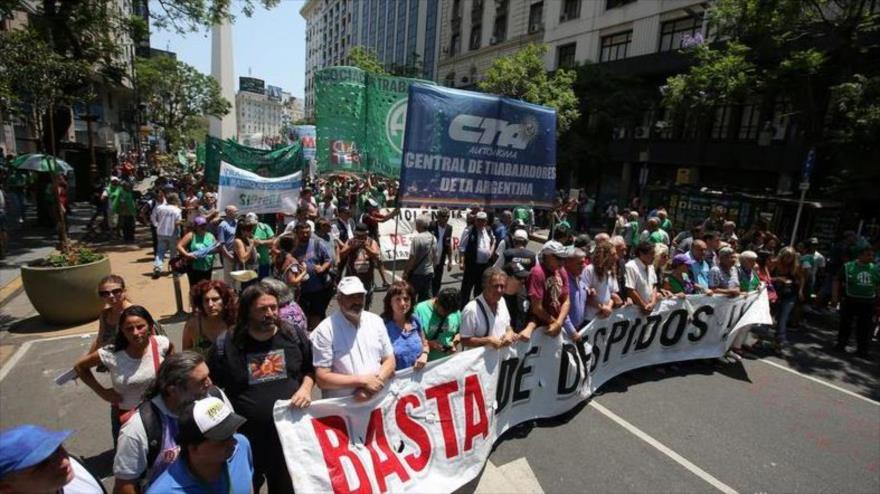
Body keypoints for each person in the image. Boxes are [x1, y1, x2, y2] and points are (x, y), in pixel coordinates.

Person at [208, 284, 314, 493]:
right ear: (247, 311)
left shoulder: (293, 335)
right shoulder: (226, 344)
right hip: (245, 440)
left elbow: (310, 370)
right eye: (262, 309)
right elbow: (211, 387)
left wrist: (306, 389)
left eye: (273, 307)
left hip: (288, 437)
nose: (270, 314)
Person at [113, 352, 228, 492]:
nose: (209, 383)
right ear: (173, 390)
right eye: (201, 381)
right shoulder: (138, 428)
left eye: (208, 376)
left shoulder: (215, 398)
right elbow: (124, 485)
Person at [75, 306, 172, 446]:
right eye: (129, 329)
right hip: (127, 417)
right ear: (121, 330)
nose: (135, 333)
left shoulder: (161, 343)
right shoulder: (111, 353)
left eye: (140, 326)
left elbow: (172, 360)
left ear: (150, 325)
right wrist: (103, 392)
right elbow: (80, 367)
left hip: (159, 413)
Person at [310, 276, 397, 399]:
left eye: (360, 296)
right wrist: (362, 381)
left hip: (377, 401)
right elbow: (322, 378)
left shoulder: (376, 321)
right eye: (351, 297)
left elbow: (389, 360)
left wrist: (373, 385)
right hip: (345, 409)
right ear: (339, 300)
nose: (357, 301)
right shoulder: (325, 330)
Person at [146, 397, 252, 494]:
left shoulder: (241, 446)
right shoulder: (163, 491)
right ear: (194, 448)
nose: (233, 442)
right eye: (222, 440)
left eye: (231, 434)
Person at [0, 425, 104, 493]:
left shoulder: (75, 467)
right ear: (5, 488)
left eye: (58, 448)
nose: (64, 462)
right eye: (42, 464)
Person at [832, 245, 879, 358]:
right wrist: (834, 297)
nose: (871, 257)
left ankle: (862, 350)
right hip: (850, 299)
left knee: (865, 327)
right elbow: (837, 280)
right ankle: (841, 345)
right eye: (868, 255)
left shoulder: (875, 268)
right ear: (860, 255)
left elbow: (878, 285)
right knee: (845, 323)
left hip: (868, 302)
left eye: (872, 255)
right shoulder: (848, 266)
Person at [460, 267, 518, 349]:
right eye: (495, 286)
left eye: (502, 286)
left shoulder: (502, 301)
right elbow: (464, 340)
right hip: (480, 360)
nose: (499, 290)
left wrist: (510, 333)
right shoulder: (471, 309)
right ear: (484, 286)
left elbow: (507, 326)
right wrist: (487, 341)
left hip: (500, 358)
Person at [291, 222, 334, 329]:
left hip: (318, 289)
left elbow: (328, 260)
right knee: (302, 317)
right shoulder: (293, 247)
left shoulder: (317, 244)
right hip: (301, 291)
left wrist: (322, 268)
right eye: (302, 233)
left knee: (317, 316)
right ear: (296, 233)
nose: (305, 235)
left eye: (307, 232)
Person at [526, 241, 570, 340]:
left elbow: (566, 300)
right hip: (541, 328)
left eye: (563, 259)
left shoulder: (562, 271)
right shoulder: (537, 273)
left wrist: (558, 322)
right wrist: (554, 322)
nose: (562, 262)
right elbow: (537, 308)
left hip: (557, 324)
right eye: (559, 258)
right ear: (548, 256)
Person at [382, 281, 430, 370]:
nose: (403, 303)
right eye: (398, 299)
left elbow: (425, 344)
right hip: (395, 381)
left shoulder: (415, 320)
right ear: (390, 302)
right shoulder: (382, 326)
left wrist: (424, 354)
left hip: (417, 378)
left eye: (406, 299)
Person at [182, 280, 236, 356]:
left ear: (224, 300)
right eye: (206, 300)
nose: (210, 304)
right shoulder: (193, 325)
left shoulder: (234, 322)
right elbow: (186, 357)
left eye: (215, 299)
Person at [338, 223, 381, 310]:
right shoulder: (351, 241)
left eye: (362, 235)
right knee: (351, 303)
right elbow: (341, 255)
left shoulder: (371, 242)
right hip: (352, 278)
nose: (360, 238)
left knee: (365, 302)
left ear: (366, 234)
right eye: (358, 235)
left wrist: (366, 247)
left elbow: (376, 255)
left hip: (367, 279)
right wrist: (350, 247)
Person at [87, 275, 134, 355]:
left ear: (124, 291)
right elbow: (100, 340)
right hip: (108, 356)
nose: (111, 296)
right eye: (105, 293)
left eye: (116, 291)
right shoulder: (104, 314)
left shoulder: (133, 313)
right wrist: (86, 360)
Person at [413, 287, 461, 361]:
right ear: (437, 301)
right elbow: (412, 340)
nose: (447, 314)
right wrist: (429, 344)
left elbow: (459, 332)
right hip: (426, 364)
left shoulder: (455, 312)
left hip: (447, 362)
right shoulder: (419, 311)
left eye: (450, 313)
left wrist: (455, 342)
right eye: (444, 311)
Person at [459, 211, 495, 307]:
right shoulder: (469, 230)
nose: (481, 223)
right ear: (475, 220)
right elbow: (462, 247)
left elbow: (493, 241)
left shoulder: (488, 230)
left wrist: (490, 253)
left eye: (483, 221)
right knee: (466, 290)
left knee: (480, 290)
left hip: (484, 266)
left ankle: (477, 309)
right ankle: (462, 309)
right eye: (478, 220)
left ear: (486, 221)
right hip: (471, 265)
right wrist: (462, 262)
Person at [770, 247, 803, 348]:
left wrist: (800, 291)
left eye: (791, 257)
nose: (788, 260)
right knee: (770, 315)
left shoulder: (795, 266)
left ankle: (780, 339)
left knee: (783, 317)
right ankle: (761, 337)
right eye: (787, 257)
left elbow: (802, 278)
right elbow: (766, 277)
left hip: (789, 294)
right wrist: (778, 279)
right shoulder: (774, 263)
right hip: (774, 293)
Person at [584, 241, 622, 321]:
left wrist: (609, 307)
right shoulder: (590, 270)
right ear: (603, 256)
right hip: (590, 318)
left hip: (604, 318)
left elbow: (612, 294)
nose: (616, 257)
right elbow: (584, 295)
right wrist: (601, 307)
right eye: (613, 255)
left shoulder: (611, 271)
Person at [176, 216, 217, 287]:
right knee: (195, 288)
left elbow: (216, 248)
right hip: (194, 268)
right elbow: (179, 246)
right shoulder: (191, 235)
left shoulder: (210, 236)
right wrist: (187, 255)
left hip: (208, 267)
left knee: (206, 288)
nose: (203, 227)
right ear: (195, 226)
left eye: (204, 225)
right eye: (201, 225)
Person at [403, 215, 436, 303]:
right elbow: (435, 257)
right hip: (429, 272)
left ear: (420, 225)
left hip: (417, 274)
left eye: (417, 224)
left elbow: (412, 258)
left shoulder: (417, 238)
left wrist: (406, 272)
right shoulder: (433, 238)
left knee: (410, 296)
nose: (416, 226)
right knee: (425, 299)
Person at [150, 194, 182, 279]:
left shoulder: (160, 208)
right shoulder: (177, 210)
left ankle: (157, 267)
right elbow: (177, 223)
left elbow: (153, 217)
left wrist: (157, 225)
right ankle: (174, 269)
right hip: (172, 233)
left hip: (161, 233)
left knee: (160, 251)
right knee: (173, 252)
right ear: (175, 200)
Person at [562, 248, 589, 342]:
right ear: (567, 263)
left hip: (579, 330)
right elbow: (561, 310)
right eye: (580, 263)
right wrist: (572, 331)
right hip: (566, 334)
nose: (584, 265)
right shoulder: (564, 281)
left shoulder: (579, 278)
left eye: (584, 262)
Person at [625, 241, 659, 314]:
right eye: (651, 254)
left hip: (650, 309)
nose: (654, 256)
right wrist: (643, 306)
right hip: (635, 312)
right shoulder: (631, 267)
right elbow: (630, 290)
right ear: (641, 253)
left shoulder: (651, 267)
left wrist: (653, 302)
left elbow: (654, 286)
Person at [429, 208, 455, 296]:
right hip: (429, 259)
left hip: (440, 259)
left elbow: (448, 245)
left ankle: (434, 298)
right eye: (443, 216)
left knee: (437, 281)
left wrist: (450, 261)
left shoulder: (449, 228)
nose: (445, 219)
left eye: (447, 216)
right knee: (428, 281)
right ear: (438, 217)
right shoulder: (432, 225)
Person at [502, 261, 532, 334]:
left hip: (523, 341)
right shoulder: (496, 299)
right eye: (519, 277)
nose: (523, 280)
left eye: (524, 277)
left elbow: (533, 315)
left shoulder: (526, 295)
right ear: (506, 278)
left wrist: (529, 328)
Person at [231, 215, 260, 291]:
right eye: (249, 230)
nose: (251, 231)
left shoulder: (248, 239)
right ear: (242, 231)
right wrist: (251, 245)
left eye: (251, 229)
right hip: (244, 274)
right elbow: (243, 258)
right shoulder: (238, 241)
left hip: (252, 271)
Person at [246, 212, 275, 280]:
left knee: (264, 282)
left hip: (264, 261)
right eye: (250, 224)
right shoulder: (245, 229)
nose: (252, 225)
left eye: (253, 223)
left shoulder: (265, 227)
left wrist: (261, 242)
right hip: (251, 263)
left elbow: (273, 241)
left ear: (257, 220)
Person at [216, 206, 238, 286]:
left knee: (238, 278)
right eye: (235, 211)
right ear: (228, 212)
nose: (237, 213)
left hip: (238, 253)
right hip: (229, 254)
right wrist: (228, 256)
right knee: (229, 279)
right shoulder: (222, 225)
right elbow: (221, 244)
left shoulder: (237, 222)